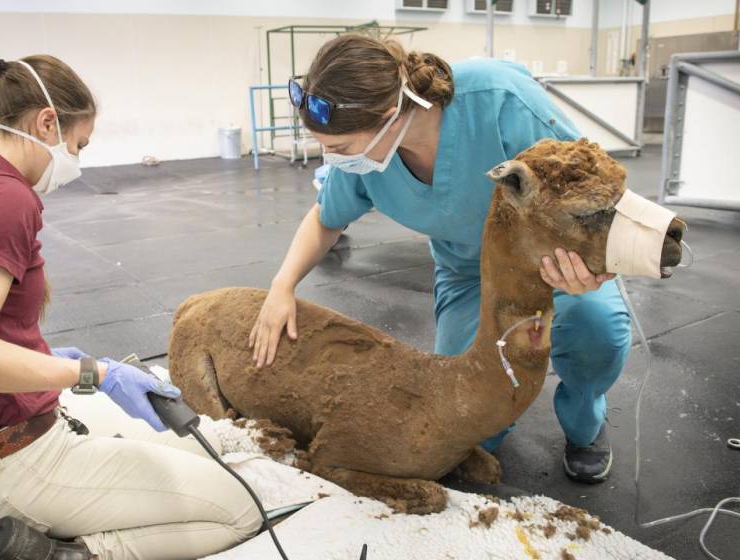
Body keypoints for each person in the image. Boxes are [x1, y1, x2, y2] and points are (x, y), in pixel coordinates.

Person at [0, 55, 260, 560]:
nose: (78, 161)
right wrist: (90, 373)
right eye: (78, 145)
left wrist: (40, 355)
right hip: (10, 462)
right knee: (239, 509)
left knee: (204, 451)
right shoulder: (1, 198)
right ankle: (55, 553)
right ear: (47, 122)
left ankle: (13, 519)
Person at [250, 35, 631, 483]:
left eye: (342, 148)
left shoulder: (498, 100)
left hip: (551, 264)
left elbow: (597, 188)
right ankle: (492, 424)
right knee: (460, 407)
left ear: (390, 118)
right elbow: (325, 219)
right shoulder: (367, 160)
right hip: (468, 274)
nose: (332, 160)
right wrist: (282, 287)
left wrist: (595, 268)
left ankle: (585, 423)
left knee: (597, 328)